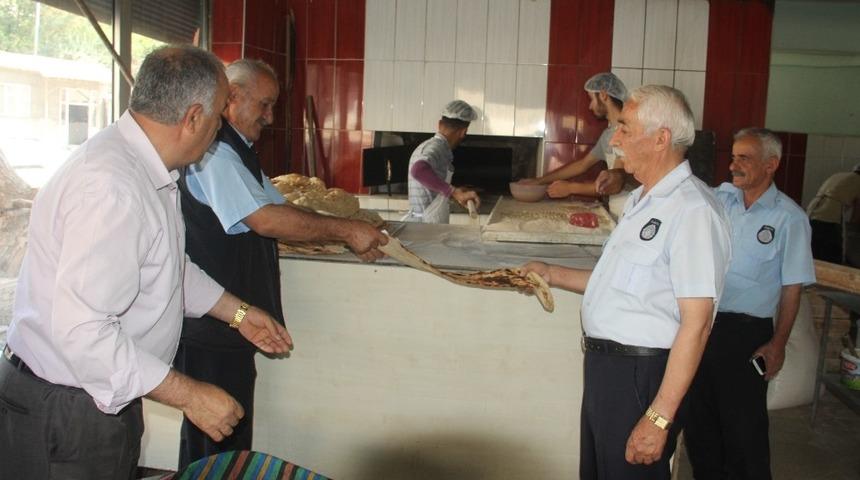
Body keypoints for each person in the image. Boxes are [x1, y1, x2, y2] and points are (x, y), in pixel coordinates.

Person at [0, 45, 292, 480]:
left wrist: (239, 313)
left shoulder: (148, 168)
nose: (218, 131)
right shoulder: (113, 188)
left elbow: (169, 269)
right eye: (217, 119)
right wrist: (190, 394)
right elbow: (83, 332)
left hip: (97, 399)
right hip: (66, 410)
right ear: (193, 117)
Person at [176, 58, 387, 469]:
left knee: (229, 438)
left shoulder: (239, 152)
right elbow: (264, 219)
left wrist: (344, 228)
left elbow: (281, 207)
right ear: (232, 97)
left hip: (233, 322)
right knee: (213, 443)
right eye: (266, 104)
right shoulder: (216, 153)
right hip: (210, 328)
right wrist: (345, 231)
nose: (271, 117)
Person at [521, 85, 731, 479]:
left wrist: (658, 417)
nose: (614, 140)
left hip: (641, 375)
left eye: (625, 129)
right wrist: (551, 273)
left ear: (661, 138)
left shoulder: (693, 211)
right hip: (607, 369)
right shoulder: (641, 202)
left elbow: (697, 323)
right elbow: (617, 284)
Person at [684, 128, 815, 480]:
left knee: (744, 431)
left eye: (745, 158)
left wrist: (777, 344)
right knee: (700, 421)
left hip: (746, 335)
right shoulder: (721, 201)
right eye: (733, 156)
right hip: (704, 324)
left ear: (771, 164)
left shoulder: (790, 219)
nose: (733, 166)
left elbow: (792, 289)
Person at [522, 73, 632, 205]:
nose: (590, 106)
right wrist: (539, 181)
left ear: (603, 95)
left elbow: (614, 183)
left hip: (633, 210)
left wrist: (570, 188)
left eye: (591, 99)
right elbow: (582, 165)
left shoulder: (629, 130)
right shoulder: (607, 135)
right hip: (617, 211)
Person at [405, 100, 481, 223]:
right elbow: (418, 170)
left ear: (439, 124)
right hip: (425, 226)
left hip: (429, 223)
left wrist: (457, 191)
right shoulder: (436, 147)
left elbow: (433, 184)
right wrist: (454, 192)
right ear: (463, 132)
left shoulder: (434, 146)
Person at [805, 164, 860, 264]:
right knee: (831, 256)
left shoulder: (839, 175)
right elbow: (856, 214)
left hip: (811, 211)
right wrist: (852, 231)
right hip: (829, 218)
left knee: (813, 252)